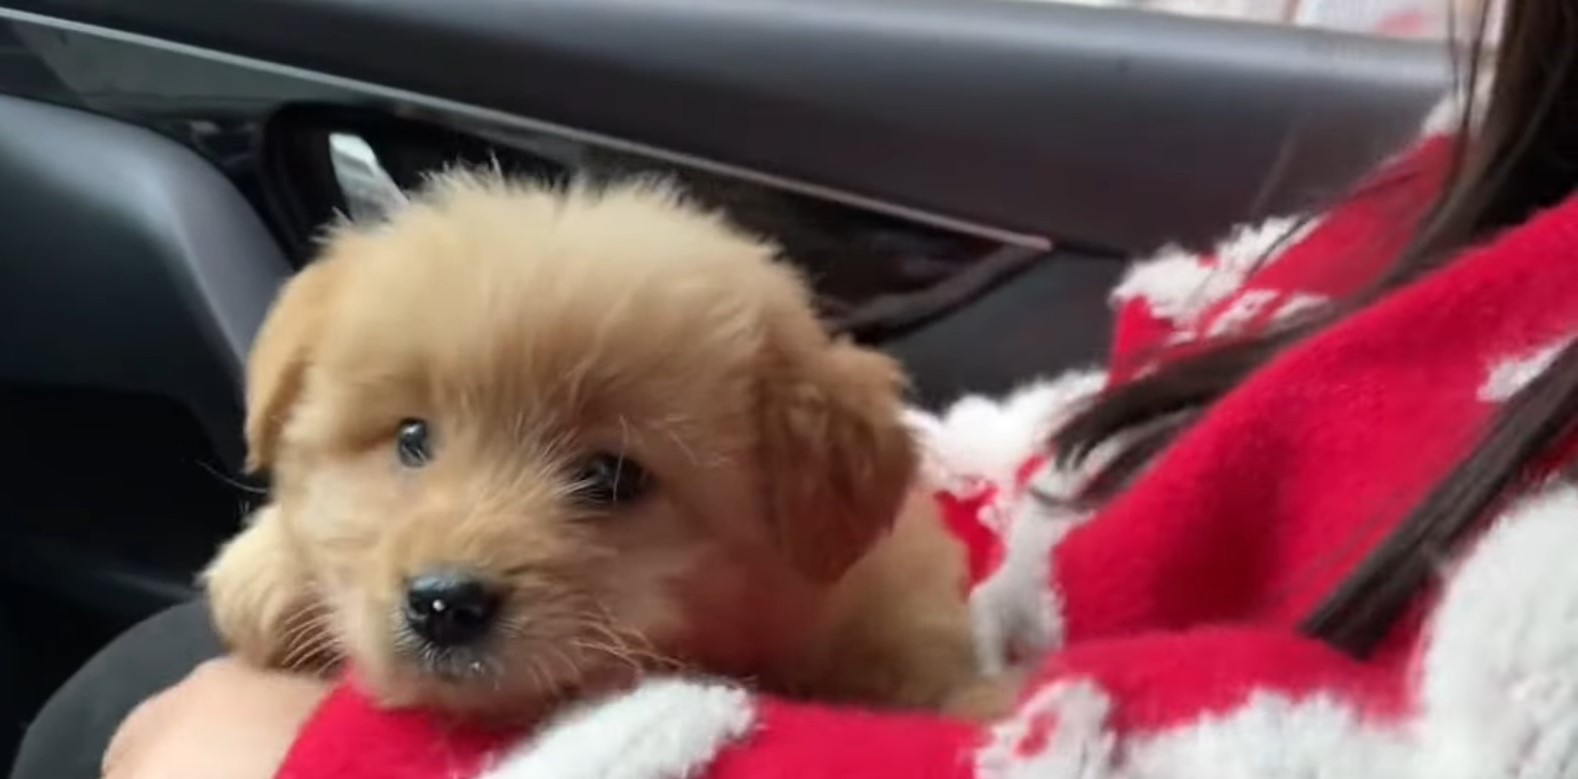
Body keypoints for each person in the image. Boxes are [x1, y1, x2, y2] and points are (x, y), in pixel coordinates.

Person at [16, 0, 1578, 776]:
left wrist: (328, 763)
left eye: (607, 479)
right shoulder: (1470, 194)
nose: (454, 555)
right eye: (410, 439)